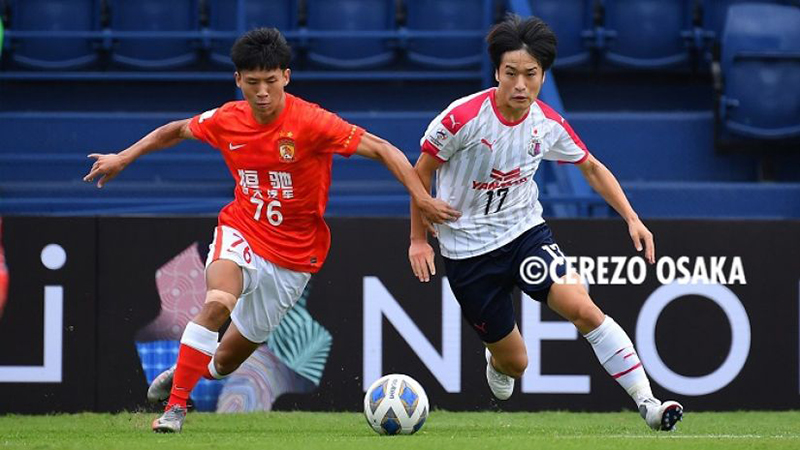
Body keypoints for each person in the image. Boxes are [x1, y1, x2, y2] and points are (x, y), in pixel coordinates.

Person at [83, 28, 460, 433]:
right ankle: (176, 408)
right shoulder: (227, 119)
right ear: (238, 80)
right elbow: (175, 131)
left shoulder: (312, 122)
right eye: (252, 82)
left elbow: (383, 149)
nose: (262, 91)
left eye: (270, 80)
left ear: (286, 76)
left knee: (226, 362)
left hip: (293, 257)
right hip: (241, 229)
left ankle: (182, 373)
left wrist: (420, 199)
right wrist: (123, 157)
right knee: (217, 302)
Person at [408, 15, 683, 431]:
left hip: (523, 233)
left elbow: (590, 166)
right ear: (497, 72)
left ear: (543, 74)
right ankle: (498, 360)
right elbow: (420, 171)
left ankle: (649, 404)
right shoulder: (462, 119)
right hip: (467, 252)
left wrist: (631, 217)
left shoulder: (546, 124)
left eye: (531, 75)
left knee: (583, 308)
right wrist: (418, 238)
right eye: (511, 73)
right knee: (515, 364)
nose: (521, 85)